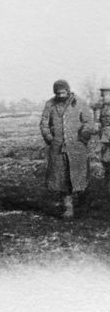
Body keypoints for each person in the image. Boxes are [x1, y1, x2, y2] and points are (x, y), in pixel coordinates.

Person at [40, 79, 93, 218]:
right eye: (58, 93)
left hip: (77, 147)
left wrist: (83, 137)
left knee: (80, 176)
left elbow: (88, 121)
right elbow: (44, 124)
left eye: (63, 93)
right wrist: (50, 139)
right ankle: (67, 208)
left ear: (68, 91)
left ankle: (84, 203)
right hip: (58, 149)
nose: (61, 96)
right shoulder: (50, 104)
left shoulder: (79, 102)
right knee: (62, 179)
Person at [93, 87, 110, 187]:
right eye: (103, 96)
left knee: (106, 158)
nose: (103, 98)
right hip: (104, 136)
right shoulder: (103, 108)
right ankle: (107, 180)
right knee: (105, 159)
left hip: (107, 137)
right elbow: (100, 121)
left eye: (106, 95)